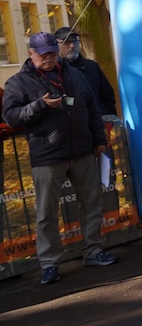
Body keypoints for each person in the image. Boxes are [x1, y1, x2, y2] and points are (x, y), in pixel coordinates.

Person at [3, 32, 117, 285]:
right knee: (46, 213)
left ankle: (93, 250)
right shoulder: (18, 82)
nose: (49, 58)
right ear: (31, 53)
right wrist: (40, 105)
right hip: (47, 156)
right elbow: (10, 117)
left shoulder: (75, 74)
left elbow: (92, 108)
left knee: (92, 203)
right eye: (43, 54)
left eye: (52, 53)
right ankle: (49, 264)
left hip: (83, 152)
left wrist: (99, 141)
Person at [53, 27, 117, 116]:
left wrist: (107, 115)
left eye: (75, 41)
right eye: (67, 42)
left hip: (99, 121)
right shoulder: (54, 70)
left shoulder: (92, 66)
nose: (72, 46)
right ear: (56, 45)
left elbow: (107, 96)